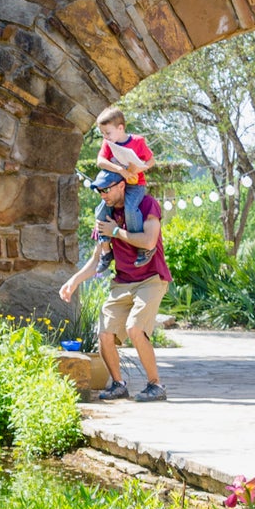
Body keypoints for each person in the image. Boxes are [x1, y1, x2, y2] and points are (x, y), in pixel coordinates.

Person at [59, 170, 171, 403]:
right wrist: (74, 281)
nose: (102, 195)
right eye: (99, 190)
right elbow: (96, 259)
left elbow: (149, 241)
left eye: (106, 189)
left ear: (121, 186)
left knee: (134, 328)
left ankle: (155, 385)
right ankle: (118, 384)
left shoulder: (146, 204)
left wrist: (117, 232)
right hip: (122, 282)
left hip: (151, 278)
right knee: (105, 333)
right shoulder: (105, 216)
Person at [94, 108, 154, 266]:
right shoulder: (109, 143)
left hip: (135, 185)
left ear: (120, 128)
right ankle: (106, 250)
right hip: (117, 184)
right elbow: (100, 161)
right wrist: (120, 170)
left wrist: (137, 169)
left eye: (108, 133)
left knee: (130, 209)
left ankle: (142, 248)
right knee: (101, 209)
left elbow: (151, 161)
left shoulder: (138, 141)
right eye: (103, 134)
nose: (105, 137)